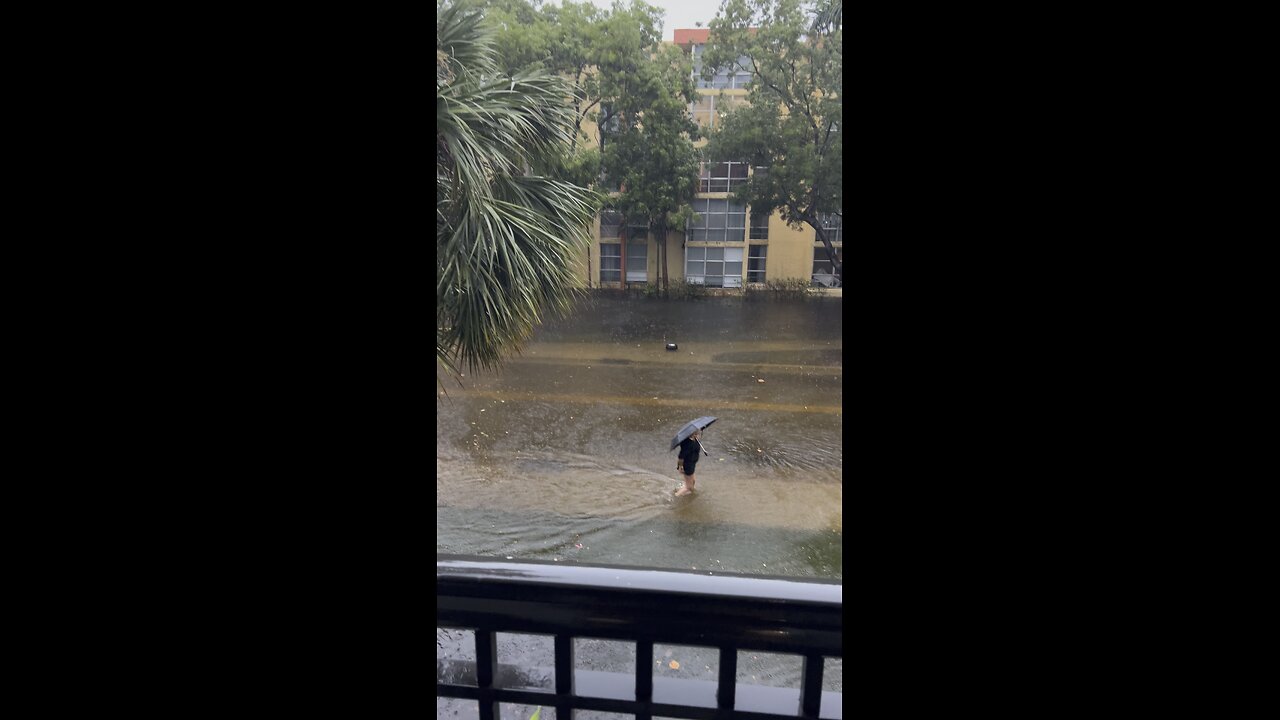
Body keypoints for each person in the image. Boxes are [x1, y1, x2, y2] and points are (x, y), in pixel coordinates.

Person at [675, 429, 704, 496]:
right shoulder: (687, 444)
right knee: (689, 487)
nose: (698, 433)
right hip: (687, 466)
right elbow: (681, 457)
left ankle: (688, 493)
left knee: (693, 481)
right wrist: (680, 466)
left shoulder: (696, 440)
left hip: (692, 464)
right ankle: (677, 495)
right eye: (696, 433)